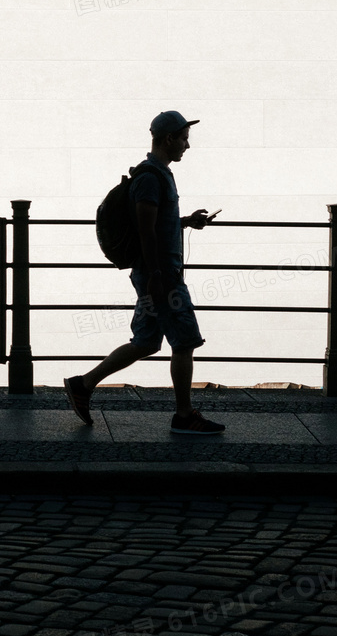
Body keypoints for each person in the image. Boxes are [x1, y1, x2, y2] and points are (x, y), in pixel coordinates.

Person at [64, 110, 225, 435]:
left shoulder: (157, 174)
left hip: (156, 274)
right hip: (162, 277)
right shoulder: (151, 177)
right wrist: (156, 277)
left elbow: (156, 225)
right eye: (183, 139)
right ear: (169, 139)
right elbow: (145, 230)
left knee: (148, 341)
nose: (186, 146)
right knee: (184, 341)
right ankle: (183, 416)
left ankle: (83, 385)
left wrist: (185, 221)